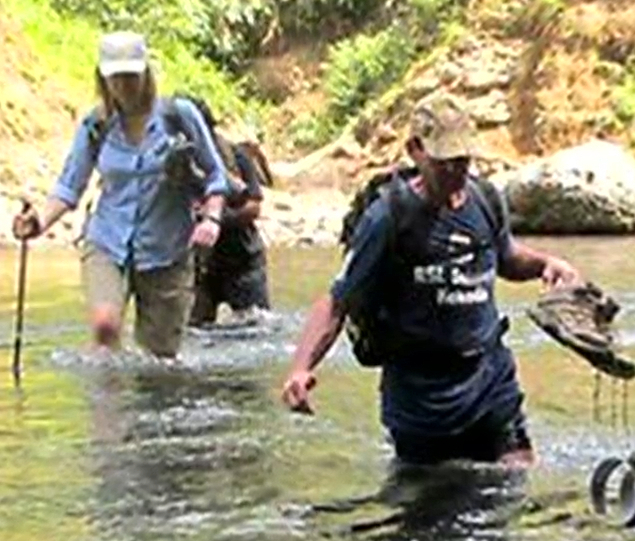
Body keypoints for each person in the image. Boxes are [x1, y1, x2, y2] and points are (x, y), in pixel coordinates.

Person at [280, 93, 580, 469]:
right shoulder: (387, 219)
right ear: (415, 150)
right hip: (421, 401)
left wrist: (546, 264)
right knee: (428, 510)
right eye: (445, 164)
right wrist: (301, 368)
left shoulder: (485, 198)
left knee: (513, 481)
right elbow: (337, 301)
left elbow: (504, 256)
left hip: (490, 383)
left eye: (463, 162)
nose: (456, 174)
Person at [11, 32, 230, 359]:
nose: (125, 85)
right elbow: (70, 186)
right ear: (103, 78)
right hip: (107, 243)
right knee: (105, 328)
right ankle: (105, 407)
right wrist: (39, 222)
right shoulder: (96, 125)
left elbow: (216, 175)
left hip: (167, 250)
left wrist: (212, 218)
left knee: (160, 359)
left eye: (131, 76)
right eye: (116, 77)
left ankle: (138, 406)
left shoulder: (178, 116)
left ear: (146, 73)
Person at [182, 96, 272, 327]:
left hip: (243, 261)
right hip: (202, 265)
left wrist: (216, 217)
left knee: (255, 329)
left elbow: (254, 206)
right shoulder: (178, 161)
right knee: (195, 330)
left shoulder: (235, 155)